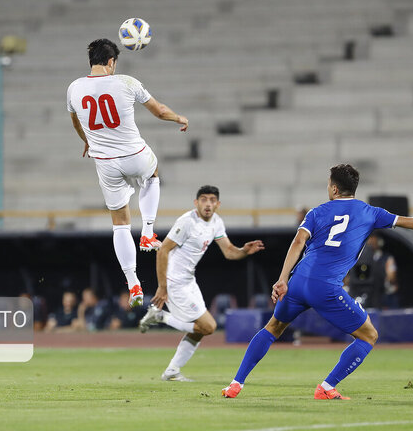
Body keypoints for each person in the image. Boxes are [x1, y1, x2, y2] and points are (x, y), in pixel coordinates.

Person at [222, 164, 413, 400]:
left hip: (298, 281)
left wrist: (282, 279)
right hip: (326, 287)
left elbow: (297, 242)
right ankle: (326, 386)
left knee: (272, 328)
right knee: (369, 335)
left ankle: (235, 384)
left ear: (334, 188)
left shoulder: (316, 212)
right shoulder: (370, 212)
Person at [67, 38, 189, 308]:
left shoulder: (74, 88)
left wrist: (87, 141)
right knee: (153, 173)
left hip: (106, 163)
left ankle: (133, 283)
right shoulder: (126, 82)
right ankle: (148, 232)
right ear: (111, 62)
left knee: (120, 223)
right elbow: (159, 111)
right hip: (134, 155)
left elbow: (76, 121)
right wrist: (179, 118)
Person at [138, 185, 265, 381]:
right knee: (209, 327)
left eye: (212, 200)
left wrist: (243, 251)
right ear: (196, 203)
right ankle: (161, 317)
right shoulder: (187, 221)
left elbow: (229, 251)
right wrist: (162, 287)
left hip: (189, 281)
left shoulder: (216, 222)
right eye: (204, 199)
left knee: (200, 330)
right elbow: (163, 250)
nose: (208, 203)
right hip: (174, 282)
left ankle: (172, 371)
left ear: (218, 204)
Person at [347, 233, 397, 309]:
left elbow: (392, 278)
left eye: (373, 238)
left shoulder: (386, 258)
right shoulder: (356, 258)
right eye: (369, 238)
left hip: (380, 294)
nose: (371, 241)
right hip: (357, 293)